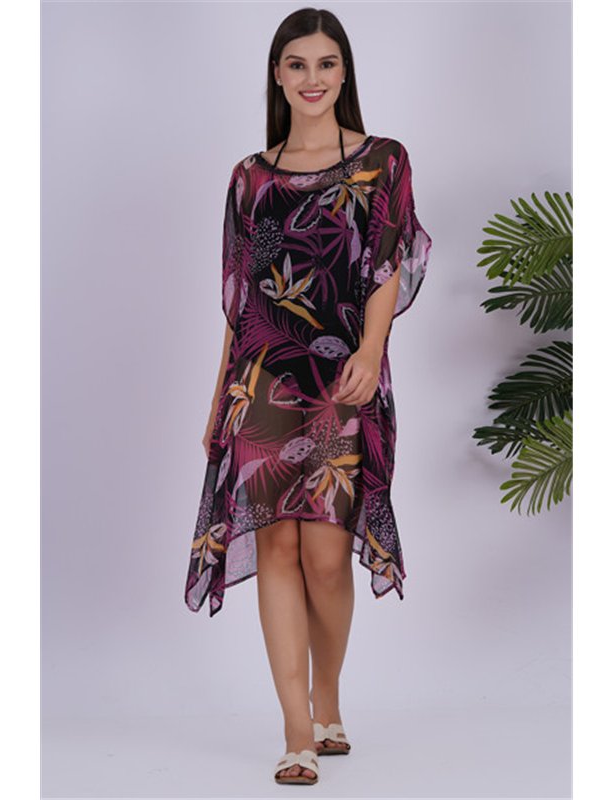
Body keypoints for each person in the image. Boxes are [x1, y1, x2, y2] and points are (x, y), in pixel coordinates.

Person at [183, 7, 433, 786]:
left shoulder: (383, 160)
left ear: (344, 71)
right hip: (262, 379)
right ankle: (297, 730)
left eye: (326, 63)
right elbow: (243, 299)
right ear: (278, 75)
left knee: (327, 557)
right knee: (277, 547)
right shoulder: (250, 178)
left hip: (340, 378)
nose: (312, 78)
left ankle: (329, 698)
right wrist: (218, 399)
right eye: (297, 64)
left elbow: (388, 262)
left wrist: (371, 350)